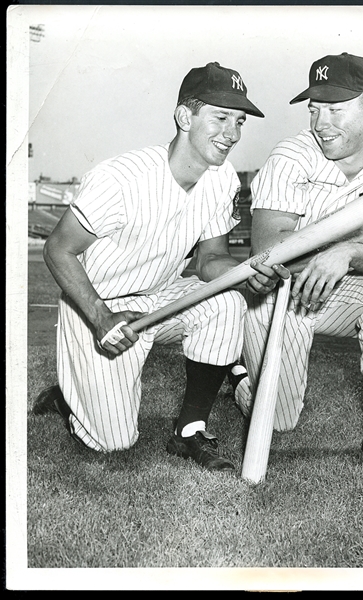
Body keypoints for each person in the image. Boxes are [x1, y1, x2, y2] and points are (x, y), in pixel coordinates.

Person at [32, 61, 289, 472]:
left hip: (162, 295)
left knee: (226, 304)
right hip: (100, 306)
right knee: (111, 443)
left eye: (239, 121)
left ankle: (190, 431)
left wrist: (249, 271)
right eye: (220, 117)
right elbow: (57, 250)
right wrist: (99, 317)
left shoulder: (221, 179)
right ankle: (69, 395)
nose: (233, 134)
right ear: (185, 116)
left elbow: (208, 261)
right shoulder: (121, 177)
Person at [232, 52, 363, 479]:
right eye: (314, 108)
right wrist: (360, 236)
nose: (320, 121)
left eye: (335, 108)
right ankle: (238, 376)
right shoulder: (291, 154)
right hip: (283, 293)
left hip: (345, 289)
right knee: (278, 419)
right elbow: (270, 253)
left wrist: (346, 251)